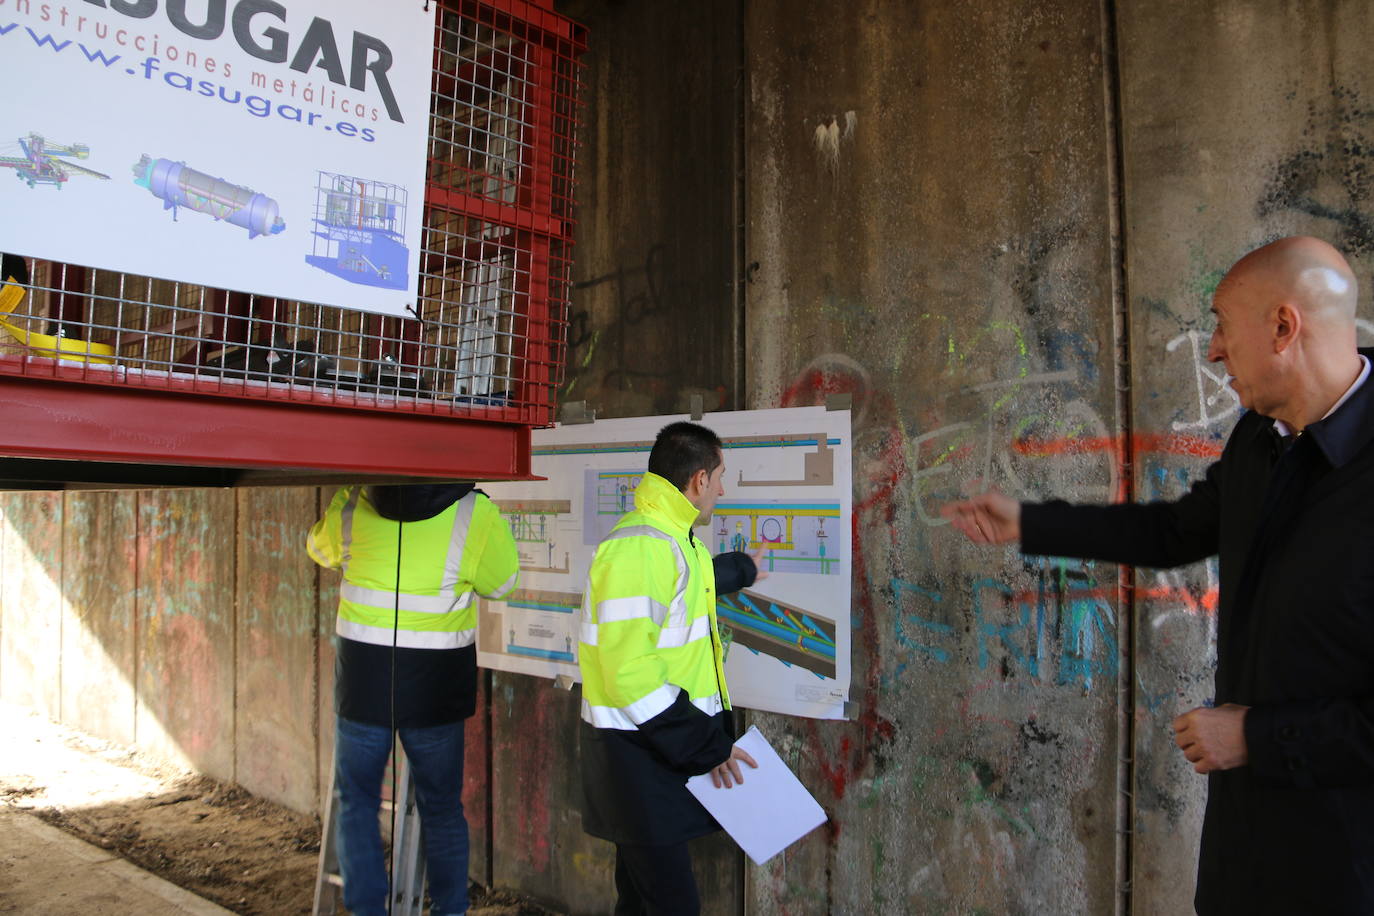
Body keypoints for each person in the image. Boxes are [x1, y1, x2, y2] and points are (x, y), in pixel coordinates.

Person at [942, 236, 1374, 914]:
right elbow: (1173, 532)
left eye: (1224, 326)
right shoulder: (1261, 440)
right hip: (1244, 858)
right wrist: (1029, 523)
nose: (1214, 351)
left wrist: (1256, 736)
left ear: (1284, 327)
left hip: (1345, 870)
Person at [308, 483, 519, 916]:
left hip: (364, 679)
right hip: (435, 686)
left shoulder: (354, 499)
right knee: (441, 808)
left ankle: (367, 910)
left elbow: (318, 548)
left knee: (357, 800)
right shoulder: (472, 513)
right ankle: (450, 910)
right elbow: (503, 583)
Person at [578, 421, 763, 916]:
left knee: (639, 903)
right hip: (639, 757)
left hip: (650, 754)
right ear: (699, 480)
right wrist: (707, 746)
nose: (722, 490)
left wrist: (745, 567)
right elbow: (629, 673)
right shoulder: (644, 546)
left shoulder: (671, 538)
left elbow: (695, 582)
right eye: (721, 477)